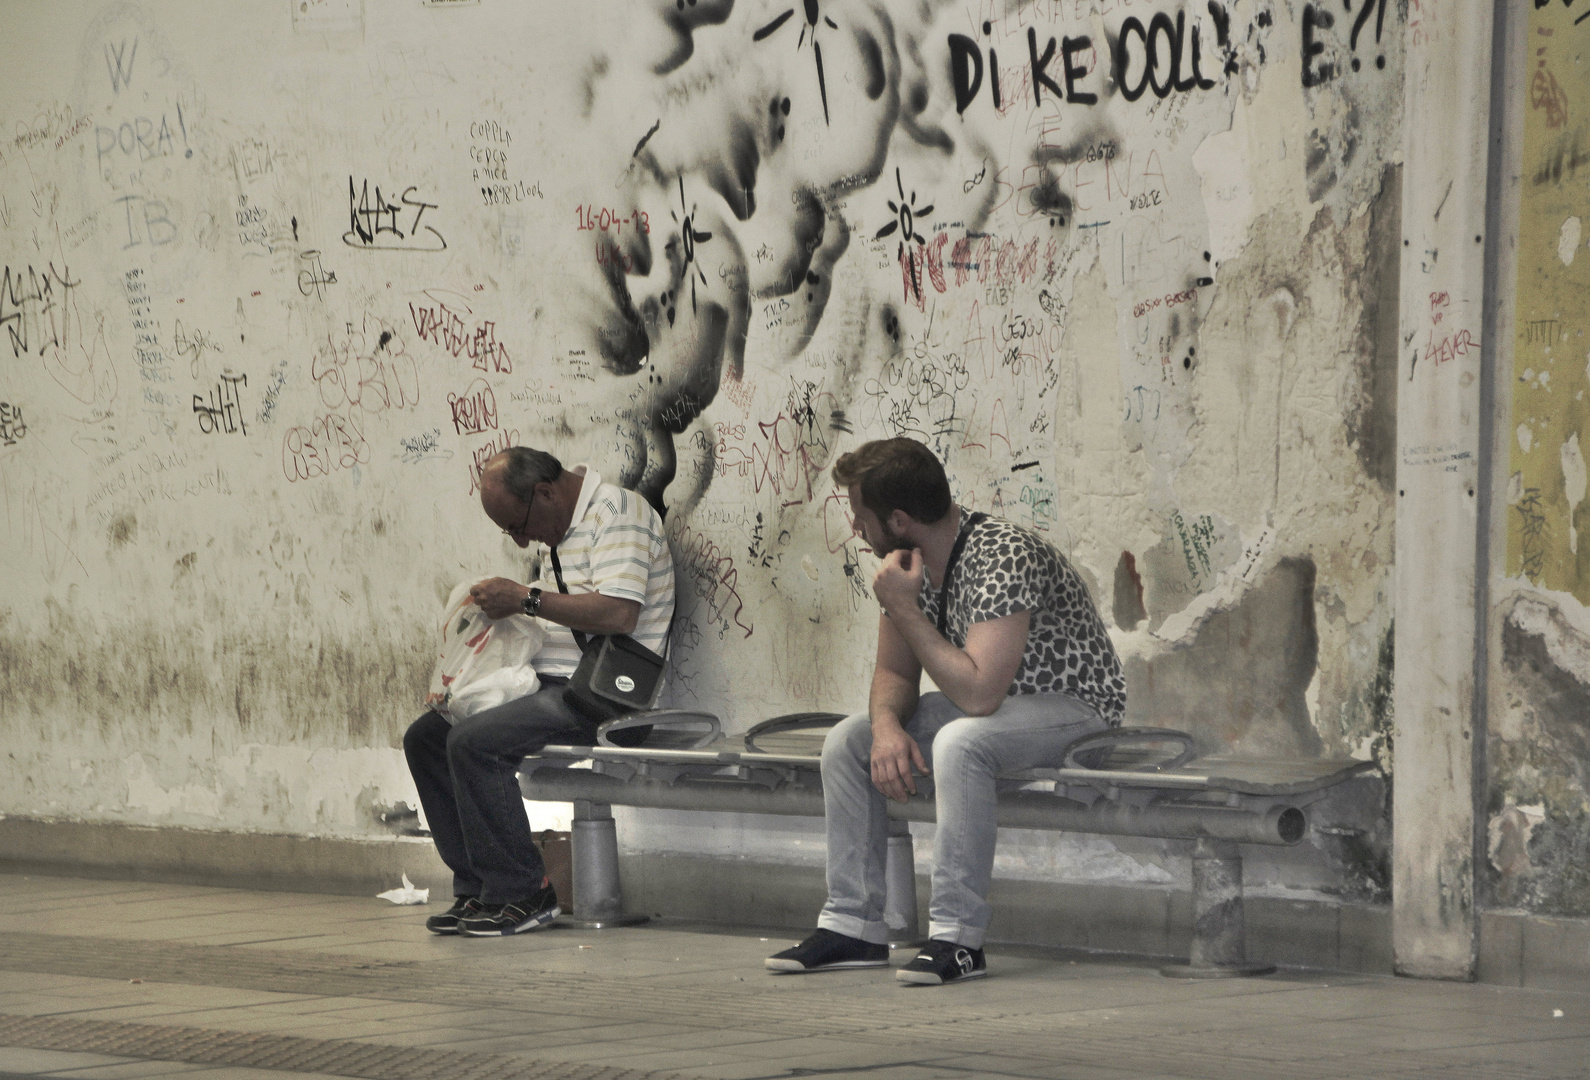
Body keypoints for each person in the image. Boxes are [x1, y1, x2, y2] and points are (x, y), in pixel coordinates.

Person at [765, 438, 1126, 984]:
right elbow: (894, 674)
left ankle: (958, 940)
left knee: (961, 742)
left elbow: (979, 694)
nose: (857, 529)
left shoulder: (1002, 553)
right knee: (849, 741)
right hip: (996, 709)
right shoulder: (905, 568)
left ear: (900, 519)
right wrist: (886, 727)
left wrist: (904, 607)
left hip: (1075, 710)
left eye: (862, 517)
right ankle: (853, 926)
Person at [404, 446, 674, 936]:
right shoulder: (561, 529)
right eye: (511, 532)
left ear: (547, 492)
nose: (523, 539)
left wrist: (525, 598)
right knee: (427, 737)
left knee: (473, 743)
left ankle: (524, 893)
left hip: (604, 694)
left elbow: (619, 613)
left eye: (519, 526)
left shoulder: (619, 515)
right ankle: (480, 888)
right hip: (550, 681)